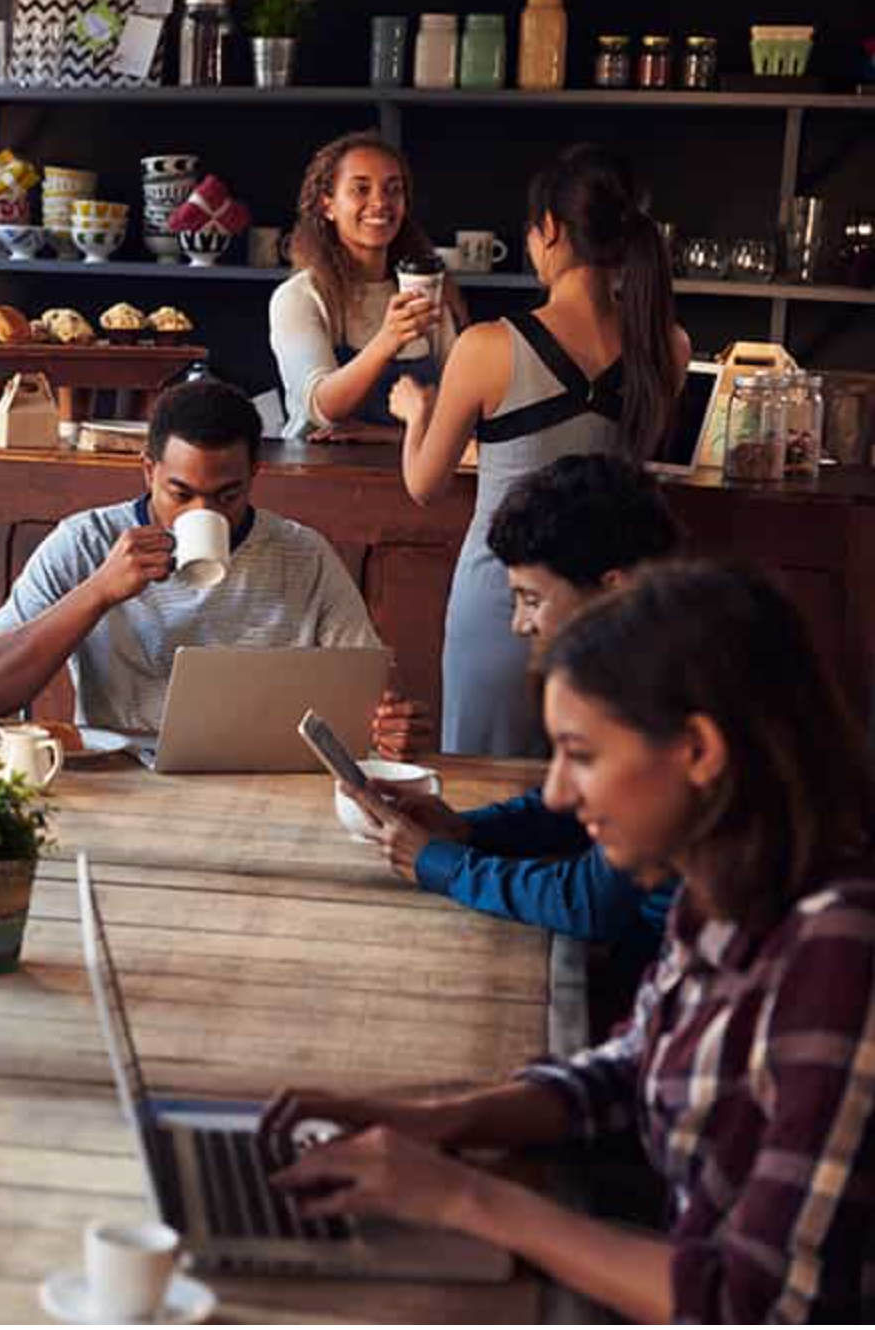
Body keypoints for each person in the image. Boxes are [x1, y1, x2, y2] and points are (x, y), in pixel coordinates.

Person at [270, 560, 875, 1323]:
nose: (556, 793)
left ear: (697, 751)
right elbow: (631, 1069)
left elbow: (749, 1305)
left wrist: (462, 1196)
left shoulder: (839, 953)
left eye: (580, 755)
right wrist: (437, 1119)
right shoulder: (718, 883)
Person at [391, 144, 690, 756]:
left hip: (503, 600)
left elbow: (425, 485)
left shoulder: (487, 347)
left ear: (549, 231)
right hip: (608, 604)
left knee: (483, 792)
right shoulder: (669, 346)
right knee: (590, 791)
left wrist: (417, 415)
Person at [0, 378, 429, 757]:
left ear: (254, 477)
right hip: (124, 785)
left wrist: (390, 724)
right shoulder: (87, 543)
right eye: (180, 495)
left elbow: (374, 693)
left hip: (265, 786)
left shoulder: (303, 555)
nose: (206, 514)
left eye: (228, 496)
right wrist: (97, 592)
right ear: (148, 471)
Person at [347, 455, 683, 969]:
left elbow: (590, 901)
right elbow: (580, 814)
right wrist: (467, 831)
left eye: (531, 599)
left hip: (652, 976)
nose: (520, 625)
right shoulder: (656, 657)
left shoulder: (668, 698)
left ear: (615, 589)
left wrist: (441, 864)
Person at [269, 132, 464, 444]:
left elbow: (459, 407)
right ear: (327, 205)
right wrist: (388, 339)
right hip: (315, 479)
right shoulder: (299, 297)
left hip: (413, 476)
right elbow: (322, 407)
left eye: (393, 190)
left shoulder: (425, 290)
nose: (380, 203)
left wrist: (382, 435)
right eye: (361, 189)